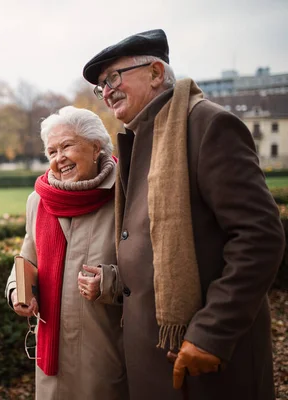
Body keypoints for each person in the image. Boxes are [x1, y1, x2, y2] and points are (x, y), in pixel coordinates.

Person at [81, 29, 285, 400]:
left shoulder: (207, 125)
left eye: (113, 77)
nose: (107, 91)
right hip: (155, 357)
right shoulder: (142, 136)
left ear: (157, 73)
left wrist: (212, 333)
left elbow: (260, 237)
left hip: (206, 360)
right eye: (101, 86)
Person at [4, 106, 128, 400]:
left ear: (96, 146)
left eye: (67, 146)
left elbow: (153, 268)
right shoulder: (39, 199)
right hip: (52, 361)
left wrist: (110, 282)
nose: (59, 158)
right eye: (51, 151)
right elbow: (27, 257)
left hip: (105, 351)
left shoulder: (126, 193)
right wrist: (16, 291)